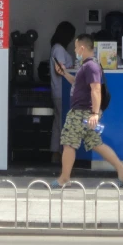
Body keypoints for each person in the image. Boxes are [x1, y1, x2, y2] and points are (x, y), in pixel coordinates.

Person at [52, 34, 123, 188]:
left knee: (68, 143)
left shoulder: (91, 66)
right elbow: (78, 84)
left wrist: (95, 114)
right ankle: (122, 170)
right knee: (96, 144)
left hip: (81, 112)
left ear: (82, 48)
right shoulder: (87, 66)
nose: (75, 51)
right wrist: (64, 73)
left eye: (76, 48)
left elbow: (96, 89)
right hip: (85, 112)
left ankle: (64, 178)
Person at [48, 21, 76, 163]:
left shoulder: (58, 48)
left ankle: (55, 154)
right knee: (62, 123)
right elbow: (60, 70)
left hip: (59, 91)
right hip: (61, 91)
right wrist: (73, 76)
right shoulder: (59, 49)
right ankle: (60, 154)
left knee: (58, 122)